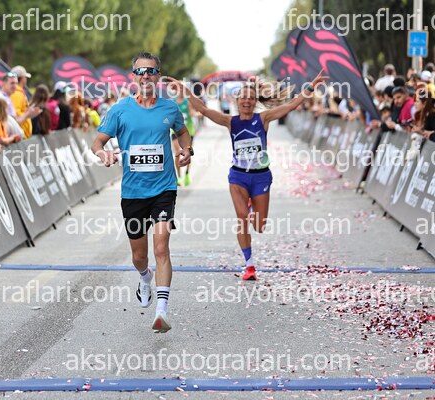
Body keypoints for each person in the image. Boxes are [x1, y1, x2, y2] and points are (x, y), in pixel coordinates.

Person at [167, 69, 327, 281]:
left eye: (250, 98)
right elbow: (203, 109)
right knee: (242, 218)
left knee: (259, 226)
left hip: (261, 177)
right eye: (243, 98)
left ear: (255, 101)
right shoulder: (230, 121)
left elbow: (290, 105)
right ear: (236, 101)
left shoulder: (264, 118)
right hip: (238, 177)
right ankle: (249, 265)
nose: (246, 101)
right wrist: (185, 90)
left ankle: (252, 208)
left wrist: (311, 86)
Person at [91, 52, 192, 333]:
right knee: (139, 256)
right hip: (133, 192)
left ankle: (162, 311)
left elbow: (183, 133)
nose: (145, 75)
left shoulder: (169, 108)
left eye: (150, 71)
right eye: (140, 71)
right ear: (133, 76)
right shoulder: (120, 110)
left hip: (164, 188)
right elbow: (97, 142)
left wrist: (187, 150)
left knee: (161, 247)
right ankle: (145, 277)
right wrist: (103, 154)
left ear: (158, 75)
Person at [171, 88, 197, 186]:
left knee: (187, 152)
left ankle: (187, 174)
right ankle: (179, 177)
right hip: (175, 131)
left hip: (188, 131)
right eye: (179, 89)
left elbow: (192, 113)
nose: (181, 91)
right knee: (177, 152)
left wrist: (197, 114)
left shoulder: (188, 102)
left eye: (182, 89)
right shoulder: (173, 103)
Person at [10, 65, 33, 138]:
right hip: (20, 135)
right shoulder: (16, 94)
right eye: (25, 77)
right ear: (22, 78)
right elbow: (15, 115)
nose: (26, 79)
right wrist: (28, 113)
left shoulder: (19, 92)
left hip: (22, 134)